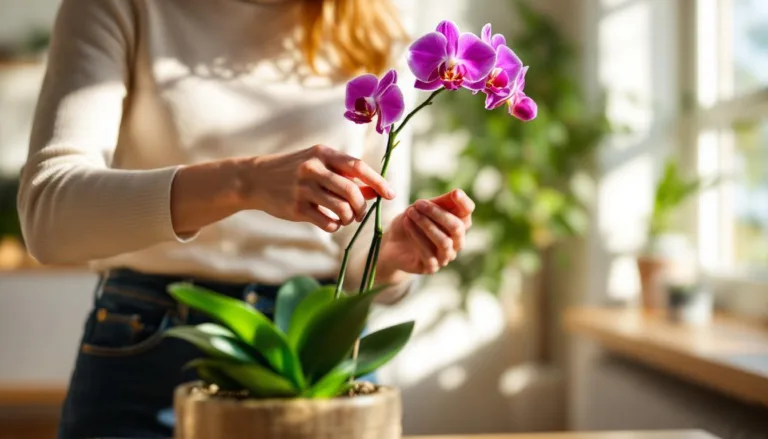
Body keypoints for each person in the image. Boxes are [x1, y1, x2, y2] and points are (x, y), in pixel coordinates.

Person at [17, 0, 475, 437]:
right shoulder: (122, 6)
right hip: (154, 342)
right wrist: (243, 183)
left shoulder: (375, 18)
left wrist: (392, 259)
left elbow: (364, 256)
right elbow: (48, 215)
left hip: (316, 348)